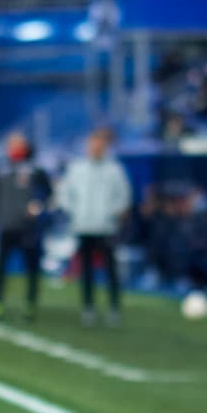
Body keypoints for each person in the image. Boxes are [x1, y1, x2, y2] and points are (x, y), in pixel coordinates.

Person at [58, 128, 131, 326]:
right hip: (83, 226)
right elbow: (64, 193)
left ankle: (114, 308)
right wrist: (74, 212)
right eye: (93, 144)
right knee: (86, 269)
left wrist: (113, 213)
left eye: (100, 144)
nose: (96, 148)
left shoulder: (114, 170)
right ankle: (88, 307)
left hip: (106, 227)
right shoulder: (77, 168)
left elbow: (123, 195)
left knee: (110, 269)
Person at [0, 133, 52, 321]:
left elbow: (47, 194)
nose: (13, 148)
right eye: (11, 144)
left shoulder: (36, 170)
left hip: (28, 227)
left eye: (17, 144)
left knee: (31, 267)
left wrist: (38, 207)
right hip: (6, 225)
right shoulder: (1, 169)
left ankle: (31, 305)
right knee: (1, 268)